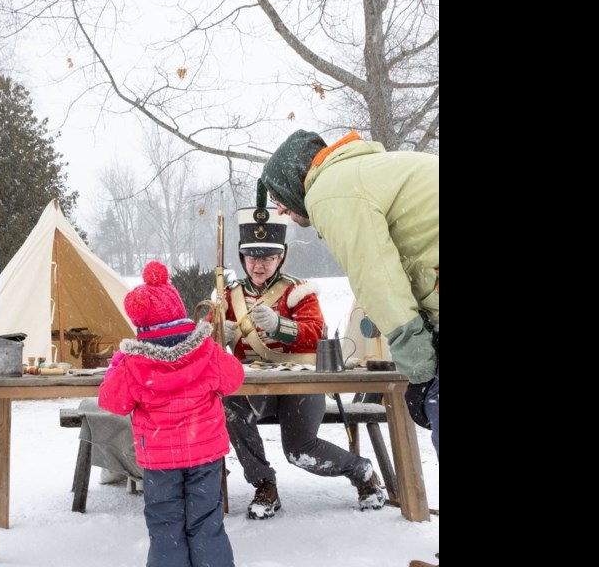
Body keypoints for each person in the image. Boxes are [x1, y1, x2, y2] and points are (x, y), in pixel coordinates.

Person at [261, 129, 439, 458]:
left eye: (279, 200)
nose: (281, 211)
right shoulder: (362, 174)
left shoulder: (330, 192)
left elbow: (377, 275)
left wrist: (420, 369)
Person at [220, 199, 386, 519]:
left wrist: (281, 326)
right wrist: (218, 334)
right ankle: (264, 484)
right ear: (242, 256)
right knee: (230, 407)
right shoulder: (228, 297)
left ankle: (361, 471)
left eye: (267, 257)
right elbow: (211, 352)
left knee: (299, 451)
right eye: (252, 256)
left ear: (281, 256)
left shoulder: (298, 290)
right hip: (255, 388)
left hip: (301, 382)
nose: (258, 265)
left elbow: (315, 333)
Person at [99, 261, 244, 567]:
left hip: (160, 460)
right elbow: (234, 378)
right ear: (179, 312)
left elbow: (112, 401)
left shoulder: (133, 364)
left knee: (165, 527)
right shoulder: (205, 351)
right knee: (207, 523)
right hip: (204, 455)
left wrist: (116, 367)